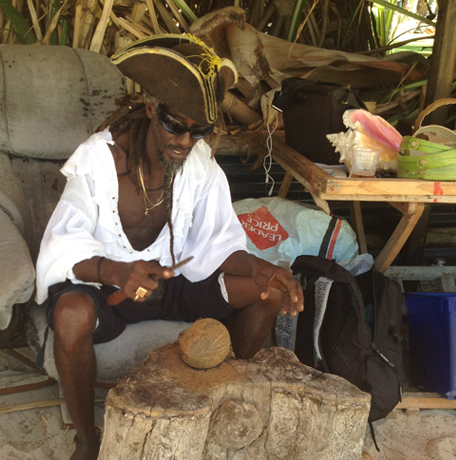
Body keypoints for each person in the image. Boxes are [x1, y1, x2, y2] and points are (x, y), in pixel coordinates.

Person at [34, 34, 304, 460]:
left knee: (266, 294)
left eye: (198, 131)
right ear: (151, 109)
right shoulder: (99, 160)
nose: (184, 140)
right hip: (111, 287)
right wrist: (117, 271)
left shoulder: (200, 166)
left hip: (173, 281)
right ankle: (86, 439)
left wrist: (258, 266)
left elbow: (220, 242)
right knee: (70, 314)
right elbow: (63, 244)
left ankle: (218, 400)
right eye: (175, 126)